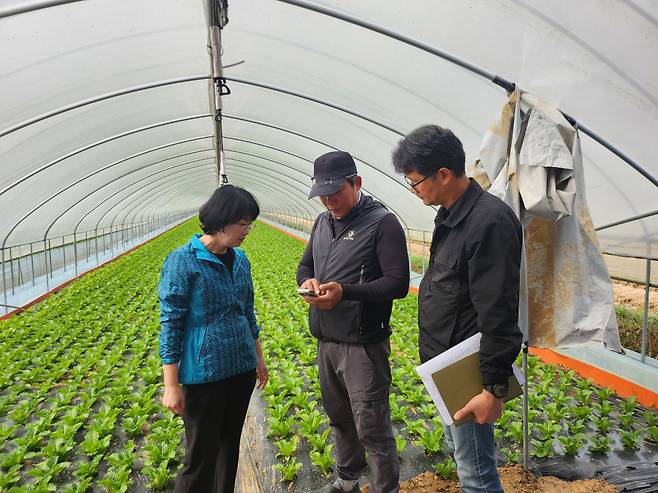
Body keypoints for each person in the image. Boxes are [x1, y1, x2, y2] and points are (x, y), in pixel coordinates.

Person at [392, 125, 522, 493]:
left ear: (444, 175)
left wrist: (492, 390)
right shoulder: (450, 216)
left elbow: (498, 312)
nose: (413, 190)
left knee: (476, 474)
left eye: (415, 182)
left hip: (469, 376)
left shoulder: (488, 222)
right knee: (463, 457)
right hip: (446, 367)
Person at [296, 151, 410, 493]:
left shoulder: (382, 223)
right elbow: (305, 267)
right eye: (323, 195)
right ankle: (347, 480)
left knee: (371, 426)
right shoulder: (321, 222)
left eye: (336, 193)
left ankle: (383, 488)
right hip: (327, 341)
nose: (330, 201)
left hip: (363, 345)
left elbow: (397, 283)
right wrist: (310, 284)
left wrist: (344, 292)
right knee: (340, 418)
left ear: (357, 183)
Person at [158, 185, 268, 493]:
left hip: (241, 370)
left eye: (250, 224)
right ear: (221, 219)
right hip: (204, 374)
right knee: (200, 457)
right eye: (242, 223)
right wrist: (171, 384)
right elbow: (171, 322)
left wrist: (259, 359)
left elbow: (248, 312)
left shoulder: (241, 260)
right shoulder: (183, 260)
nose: (247, 230)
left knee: (228, 447)